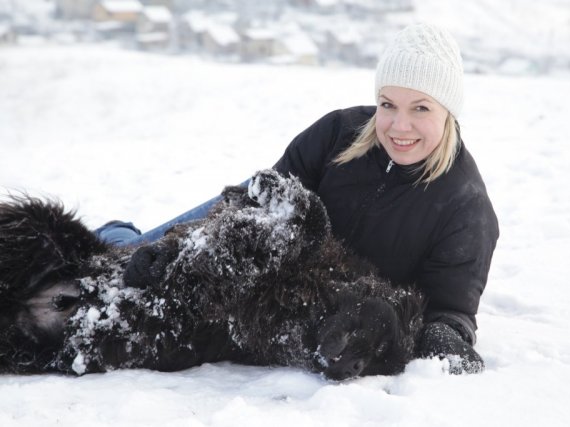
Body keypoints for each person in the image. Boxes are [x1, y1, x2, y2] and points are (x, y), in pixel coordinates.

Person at [97, 23, 499, 374]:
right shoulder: (338, 132)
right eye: (387, 104)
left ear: (449, 112)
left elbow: (450, 308)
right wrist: (176, 248)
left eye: (421, 108)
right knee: (128, 261)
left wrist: (446, 337)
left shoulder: (465, 207)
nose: (399, 125)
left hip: (307, 304)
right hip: (261, 246)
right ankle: (118, 234)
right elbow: (259, 210)